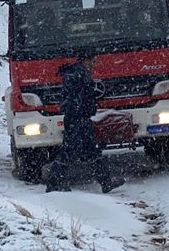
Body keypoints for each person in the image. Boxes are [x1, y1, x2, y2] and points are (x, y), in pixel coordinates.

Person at [43, 54, 124, 194]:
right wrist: (81, 112)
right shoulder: (78, 75)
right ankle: (54, 183)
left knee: (92, 150)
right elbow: (76, 97)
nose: (95, 62)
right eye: (94, 60)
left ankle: (106, 181)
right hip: (78, 118)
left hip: (79, 117)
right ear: (86, 60)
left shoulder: (78, 73)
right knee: (68, 151)